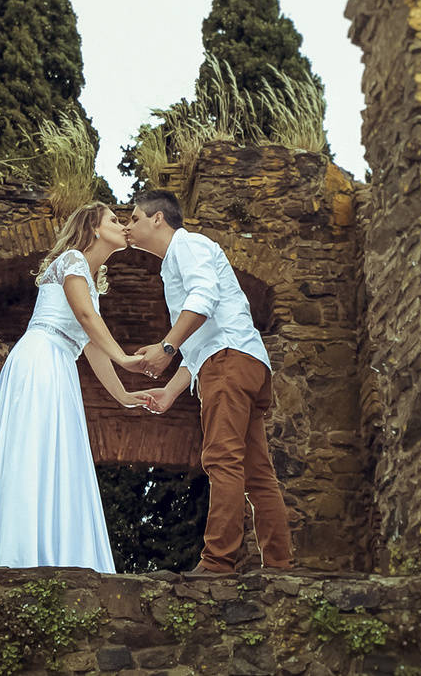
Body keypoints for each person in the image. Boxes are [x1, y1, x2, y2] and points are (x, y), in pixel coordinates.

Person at [0, 201, 151, 571]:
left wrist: (124, 396)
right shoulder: (72, 260)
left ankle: (50, 553)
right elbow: (85, 317)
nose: (122, 226)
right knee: (32, 447)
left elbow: (91, 343)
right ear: (94, 228)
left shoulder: (89, 281)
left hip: (60, 363)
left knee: (55, 455)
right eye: (114, 220)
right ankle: (20, 555)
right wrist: (125, 358)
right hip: (40, 358)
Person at [125, 189, 294, 575]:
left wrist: (166, 347)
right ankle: (280, 566)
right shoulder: (176, 261)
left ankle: (218, 563)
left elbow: (204, 297)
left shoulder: (189, 246)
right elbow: (200, 343)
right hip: (240, 361)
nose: (128, 226)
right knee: (256, 472)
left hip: (229, 363)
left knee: (222, 459)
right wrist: (170, 391)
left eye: (134, 218)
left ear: (157, 218)